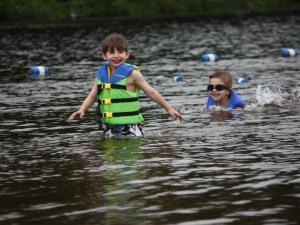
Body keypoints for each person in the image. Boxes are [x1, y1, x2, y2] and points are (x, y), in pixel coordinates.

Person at [68, 33, 182, 137]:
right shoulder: (101, 75)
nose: (116, 56)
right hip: (109, 127)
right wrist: (82, 109)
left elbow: (151, 92)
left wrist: (169, 109)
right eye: (112, 52)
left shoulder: (133, 74)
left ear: (127, 54)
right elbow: (93, 96)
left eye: (120, 52)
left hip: (130, 126)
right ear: (104, 56)